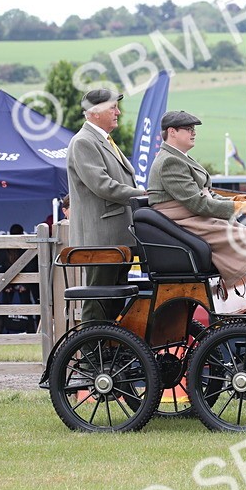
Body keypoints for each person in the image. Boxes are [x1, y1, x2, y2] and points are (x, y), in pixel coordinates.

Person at [146, 110, 246, 312]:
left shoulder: (180, 158)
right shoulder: (169, 161)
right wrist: (236, 208)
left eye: (193, 128)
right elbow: (197, 203)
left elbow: (207, 195)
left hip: (193, 218)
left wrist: (234, 200)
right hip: (182, 223)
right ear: (172, 132)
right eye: (188, 129)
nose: (193, 132)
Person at [66, 89, 147, 321]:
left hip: (115, 240)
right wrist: (142, 194)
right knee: (98, 305)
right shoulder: (83, 142)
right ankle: (92, 355)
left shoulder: (103, 141)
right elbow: (103, 186)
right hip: (100, 241)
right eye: (113, 107)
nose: (118, 112)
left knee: (112, 305)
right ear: (95, 112)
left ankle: (108, 353)